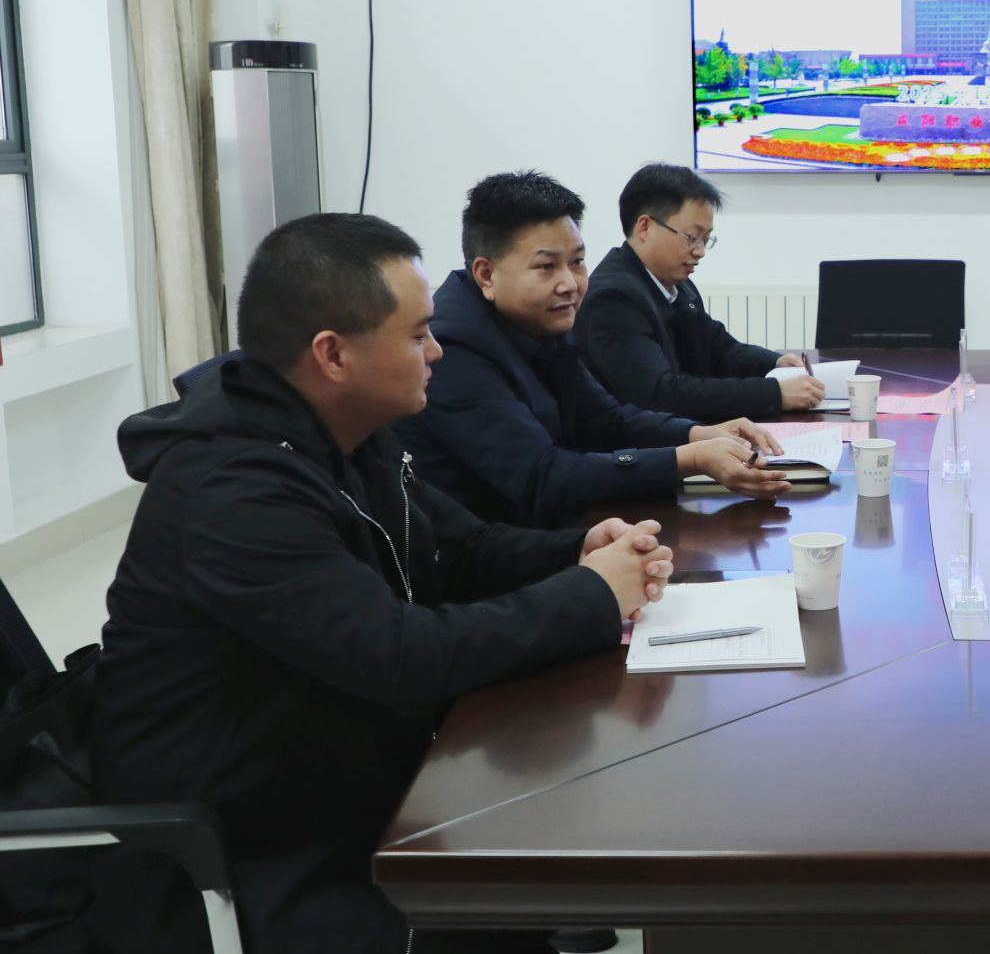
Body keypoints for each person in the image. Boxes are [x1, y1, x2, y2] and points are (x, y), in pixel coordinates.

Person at [88, 214, 676, 954]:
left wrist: (578, 550)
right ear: (332, 354)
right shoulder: (233, 490)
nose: (436, 351)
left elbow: (461, 549)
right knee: (501, 881)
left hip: (341, 773)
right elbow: (399, 656)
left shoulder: (344, 431)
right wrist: (591, 594)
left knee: (533, 837)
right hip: (247, 852)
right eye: (418, 334)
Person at [395, 171, 787, 528]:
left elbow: (606, 421)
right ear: (486, 274)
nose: (570, 283)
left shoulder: (542, 317)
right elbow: (542, 478)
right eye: (546, 267)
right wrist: (689, 459)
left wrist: (698, 433)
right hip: (489, 556)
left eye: (578, 262)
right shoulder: (454, 349)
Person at [576, 163, 823, 420]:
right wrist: (773, 394)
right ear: (645, 227)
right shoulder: (613, 298)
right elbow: (660, 395)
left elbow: (720, 349)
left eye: (705, 239)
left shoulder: (677, 285)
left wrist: (775, 363)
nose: (700, 251)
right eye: (692, 237)